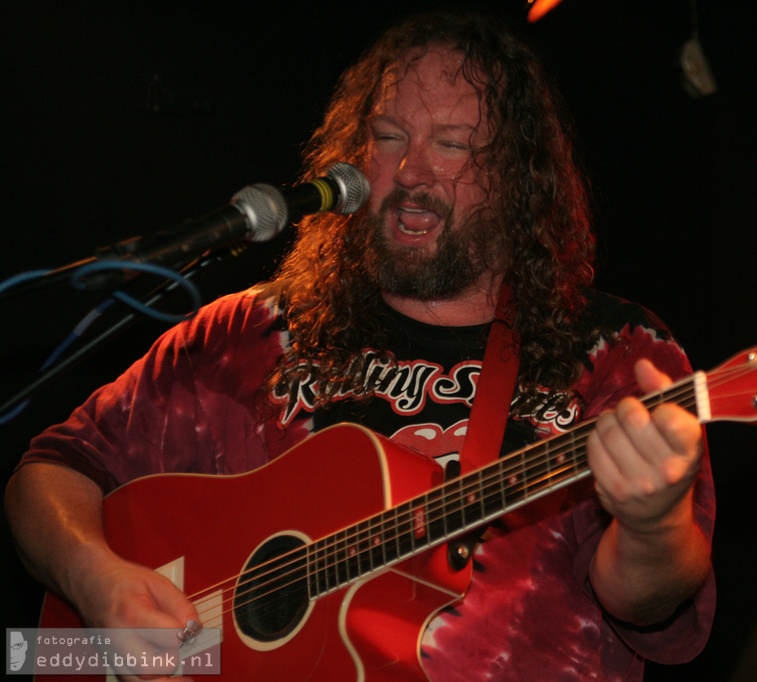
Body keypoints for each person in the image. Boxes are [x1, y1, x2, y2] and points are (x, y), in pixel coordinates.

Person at [5, 11, 715, 681]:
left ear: (518, 177)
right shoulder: (245, 334)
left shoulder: (617, 351)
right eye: (388, 136)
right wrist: (95, 581)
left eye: (453, 143)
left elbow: (655, 616)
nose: (410, 173)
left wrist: (654, 523)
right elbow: (48, 471)